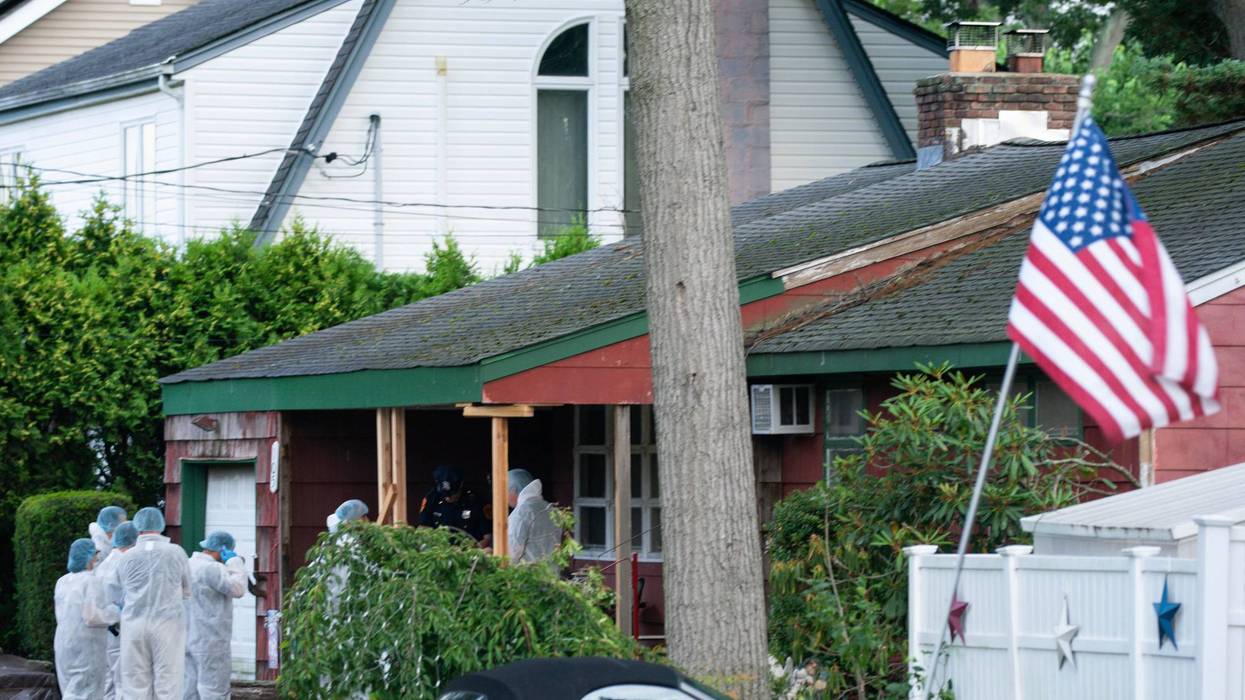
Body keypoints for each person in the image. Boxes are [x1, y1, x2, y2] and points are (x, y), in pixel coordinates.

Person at [117, 506, 191, 700]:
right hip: (167, 624)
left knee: (135, 683)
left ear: (137, 526)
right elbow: (187, 589)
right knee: (168, 681)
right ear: (161, 525)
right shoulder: (176, 552)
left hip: (133, 624)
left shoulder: (126, 556)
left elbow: (122, 591)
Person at [184, 530, 248, 700]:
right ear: (223, 550)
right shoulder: (213, 568)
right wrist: (234, 562)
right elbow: (238, 589)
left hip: (188, 637)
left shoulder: (188, 564)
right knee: (214, 691)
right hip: (211, 640)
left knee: (189, 690)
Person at [54, 538, 109, 700]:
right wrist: (115, 613)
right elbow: (93, 617)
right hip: (86, 645)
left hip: (64, 642)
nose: (97, 558)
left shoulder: (62, 581)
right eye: (95, 554)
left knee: (70, 689)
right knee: (87, 691)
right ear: (89, 557)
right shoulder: (91, 581)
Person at [94, 521, 138, 700]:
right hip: (120, 629)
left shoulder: (106, 562)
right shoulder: (127, 563)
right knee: (123, 682)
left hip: (106, 630)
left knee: (107, 683)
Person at [506, 469, 562, 566]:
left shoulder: (520, 515)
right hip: (552, 572)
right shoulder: (551, 509)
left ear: (513, 490)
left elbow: (510, 555)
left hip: (527, 574)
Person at [418, 464, 486, 540]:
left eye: (452, 493)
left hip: (468, 545)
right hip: (439, 545)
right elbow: (423, 527)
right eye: (444, 494)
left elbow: (487, 537)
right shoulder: (432, 498)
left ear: (461, 484)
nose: (448, 497)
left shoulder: (474, 501)